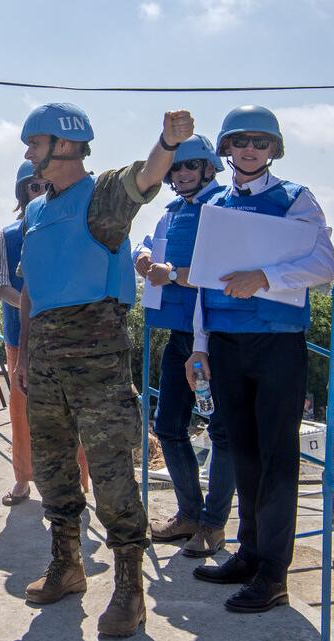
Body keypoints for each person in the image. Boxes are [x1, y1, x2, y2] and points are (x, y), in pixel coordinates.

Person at [17, 102, 194, 636]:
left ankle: (128, 590)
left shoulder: (102, 196)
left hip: (97, 358)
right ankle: (67, 565)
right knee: (52, 468)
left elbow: (147, 177)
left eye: (35, 143)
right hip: (45, 357)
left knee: (112, 472)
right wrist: (25, 353)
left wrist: (167, 143)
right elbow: (30, 290)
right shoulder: (35, 210)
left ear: (64, 145)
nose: (28, 153)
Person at [186, 105, 334, 613]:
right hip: (226, 345)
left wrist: (265, 278)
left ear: (274, 149)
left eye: (261, 142)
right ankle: (248, 556)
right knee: (244, 455)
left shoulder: (296, 198)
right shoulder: (215, 202)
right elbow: (203, 281)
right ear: (226, 148)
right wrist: (199, 346)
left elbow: (323, 264)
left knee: (276, 461)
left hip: (277, 345)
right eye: (241, 141)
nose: (250, 150)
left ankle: (273, 575)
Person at [134, 134, 236, 557]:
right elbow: (147, 242)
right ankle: (190, 514)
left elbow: (223, 272)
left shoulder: (224, 207)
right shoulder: (173, 212)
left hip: (214, 336)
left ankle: (214, 524)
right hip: (180, 334)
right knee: (168, 426)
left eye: (190, 165)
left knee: (222, 432)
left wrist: (172, 274)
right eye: (175, 167)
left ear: (209, 167)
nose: (181, 173)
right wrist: (142, 256)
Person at [0, 161, 91, 507]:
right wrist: (31, 303)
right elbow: (0, 284)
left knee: (71, 411)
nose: (39, 192)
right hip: (20, 337)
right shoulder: (9, 234)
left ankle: (78, 480)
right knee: (21, 412)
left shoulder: (69, 227)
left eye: (43, 185)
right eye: (32, 187)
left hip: (65, 337)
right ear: (22, 193)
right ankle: (23, 478)